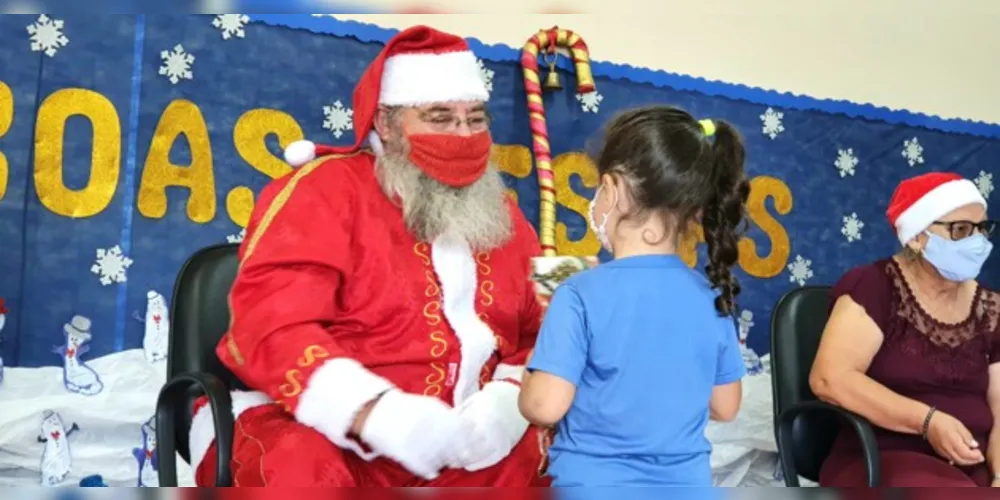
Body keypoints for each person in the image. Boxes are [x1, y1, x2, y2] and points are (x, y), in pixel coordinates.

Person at [185, 26, 550, 487]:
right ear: (386, 123)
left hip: (472, 437)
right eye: (440, 118)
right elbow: (267, 324)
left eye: (476, 120)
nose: (463, 136)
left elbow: (560, 325)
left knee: (573, 455)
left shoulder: (509, 212)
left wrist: (509, 401)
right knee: (303, 470)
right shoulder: (318, 190)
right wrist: (373, 411)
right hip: (327, 431)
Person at [517, 106, 749, 487]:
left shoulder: (577, 290)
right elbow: (726, 407)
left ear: (612, 188)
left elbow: (544, 406)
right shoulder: (711, 296)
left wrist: (531, 367)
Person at [810, 172, 998, 487]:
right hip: (884, 460)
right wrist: (928, 421)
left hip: (975, 468)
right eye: (961, 230)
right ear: (916, 237)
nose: (977, 241)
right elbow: (830, 379)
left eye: (982, 229)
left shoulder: (991, 307)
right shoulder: (874, 286)